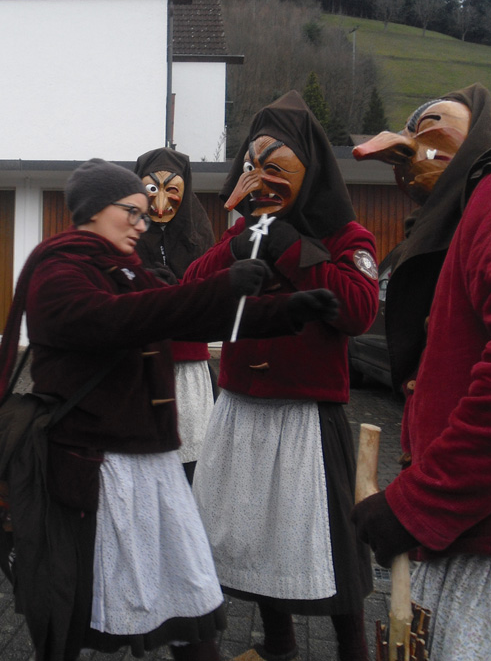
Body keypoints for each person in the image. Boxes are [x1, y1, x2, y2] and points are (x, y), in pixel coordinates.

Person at [0, 158, 340, 661]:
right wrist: (222, 284)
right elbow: (116, 319)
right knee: (73, 601)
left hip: (151, 463)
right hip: (94, 466)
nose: (144, 223)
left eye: (144, 214)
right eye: (132, 212)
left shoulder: (125, 268)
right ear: (94, 210)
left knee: (187, 595)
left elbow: (187, 313)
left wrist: (286, 311)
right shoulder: (57, 269)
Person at [350, 83, 491, 660]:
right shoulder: (473, 211)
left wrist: (420, 504)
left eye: (425, 137)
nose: (409, 165)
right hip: (477, 545)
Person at [186, 92, 379, 661]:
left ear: (309, 170)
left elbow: (358, 310)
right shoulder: (242, 233)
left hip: (306, 414)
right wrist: (241, 240)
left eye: (276, 169)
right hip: (241, 405)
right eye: (253, 167)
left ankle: (353, 652)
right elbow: (192, 292)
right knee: (255, 533)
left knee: (332, 540)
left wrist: (290, 246)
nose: (262, 181)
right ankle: (279, 645)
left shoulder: (347, 237)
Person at [132, 146, 216, 482]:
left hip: (188, 368)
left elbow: (213, 298)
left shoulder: (200, 233)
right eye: (151, 189)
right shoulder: (128, 232)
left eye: (172, 189)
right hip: (139, 367)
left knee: (189, 461)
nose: (161, 203)